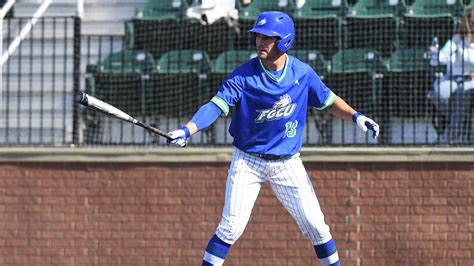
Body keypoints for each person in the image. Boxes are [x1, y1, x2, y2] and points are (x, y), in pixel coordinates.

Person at [167, 11, 380, 265]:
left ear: (285, 41)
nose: (260, 42)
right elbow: (215, 105)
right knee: (230, 227)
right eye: (258, 36)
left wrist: (357, 116)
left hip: (287, 163)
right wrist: (187, 129)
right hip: (248, 160)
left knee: (317, 227)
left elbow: (329, 101)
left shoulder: (302, 73)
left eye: (268, 38)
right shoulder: (243, 76)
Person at [428, 6, 474, 143]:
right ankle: (456, 135)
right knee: (440, 92)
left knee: (464, 93)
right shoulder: (457, 40)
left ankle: (454, 136)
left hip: (471, 81)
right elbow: (442, 57)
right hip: (453, 78)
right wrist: (435, 55)